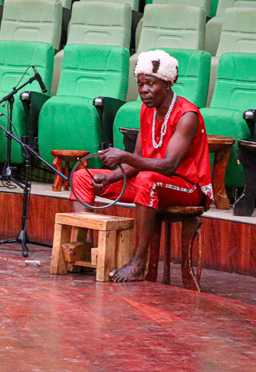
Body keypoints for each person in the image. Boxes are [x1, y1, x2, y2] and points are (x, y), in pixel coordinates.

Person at [69, 49, 214, 282]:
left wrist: (124, 157)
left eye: (151, 84)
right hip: (153, 184)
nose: (144, 90)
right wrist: (109, 178)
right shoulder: (147, 110)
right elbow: (138, 162)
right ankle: (83, 250)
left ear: (167, 84)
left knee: (148, 180)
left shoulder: (187, 114)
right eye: (140, 84)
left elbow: (168, 166)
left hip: (188, 189)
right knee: (83, 177)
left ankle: (138, 264)